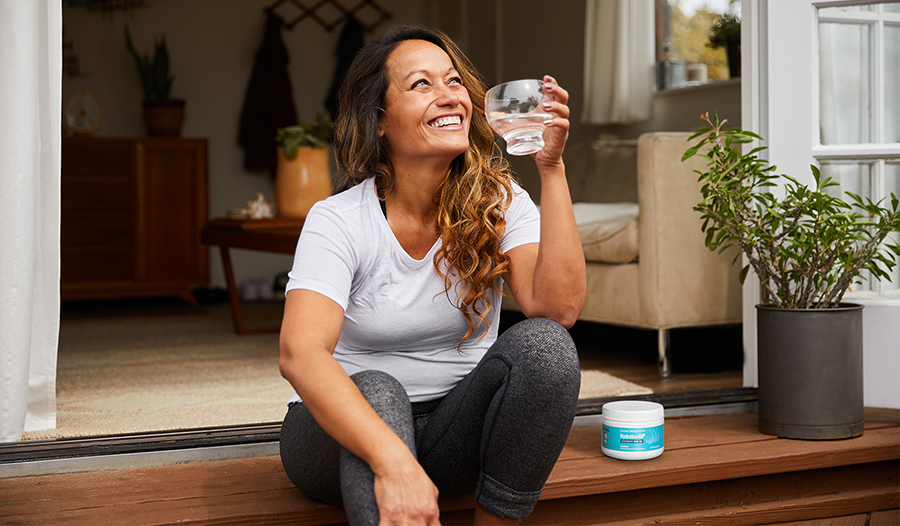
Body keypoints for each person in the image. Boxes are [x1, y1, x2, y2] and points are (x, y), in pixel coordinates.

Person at [278, 24, 586, 526]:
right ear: (379, 120)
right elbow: (299, 353)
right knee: (376, 389)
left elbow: (557, 309)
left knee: (546, 347)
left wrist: (551, 168)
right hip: (337, 440)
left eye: (453, 82)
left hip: (451, 431)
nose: (449, 97)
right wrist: (392, 459)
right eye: (421, 84)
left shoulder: (500, 202)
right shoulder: (338, 220)